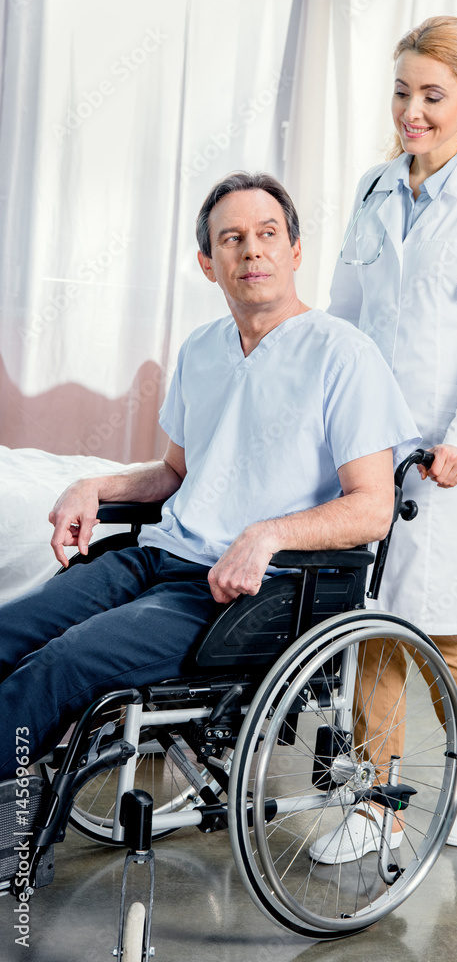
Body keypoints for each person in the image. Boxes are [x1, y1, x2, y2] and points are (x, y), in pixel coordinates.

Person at [0, 171, 421, 781]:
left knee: (59, 664)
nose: (252, 249)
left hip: (238, 595)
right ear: (207, 262)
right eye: (231, 238)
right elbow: (176, 472)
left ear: (295, 251)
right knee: (11, 629)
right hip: (153, 560)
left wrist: (266, 534)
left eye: (268, 233)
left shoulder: (344, 356)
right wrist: (95, 485)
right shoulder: (202, 348)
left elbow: (372, 508)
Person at [314, 15, 457, 858]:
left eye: (432, 96)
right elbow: (345, 312)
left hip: (444, 453)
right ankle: (377, 805)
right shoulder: (375, 188)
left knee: (437, 626)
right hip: (373, 442)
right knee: (370, 619)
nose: (412, 111)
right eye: (403, 91)